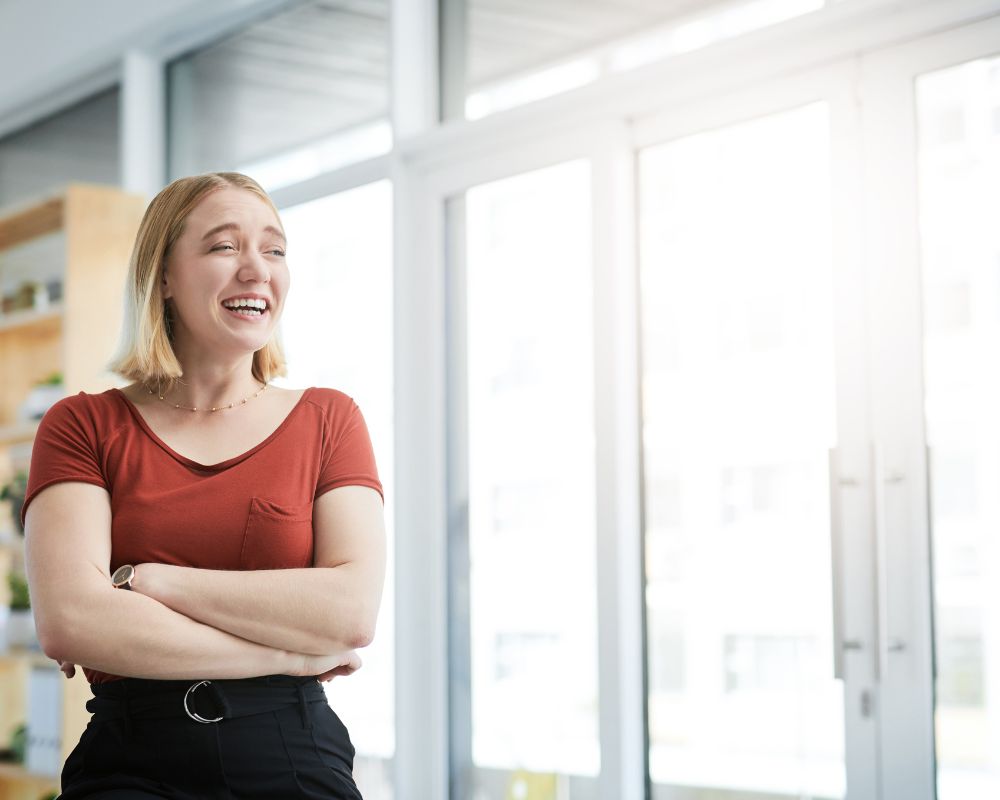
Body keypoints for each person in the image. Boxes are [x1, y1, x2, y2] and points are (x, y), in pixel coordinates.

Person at [20, 172, 386, 799]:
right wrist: (291, 655)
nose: (256, 270)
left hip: (291, 753)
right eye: (224, 247)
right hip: (129, 759)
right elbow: (73, 621)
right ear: (161, 276)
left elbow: (348, 612)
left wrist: (151, 581)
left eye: (274, 249)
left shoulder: (330, 419)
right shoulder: (81, 424)